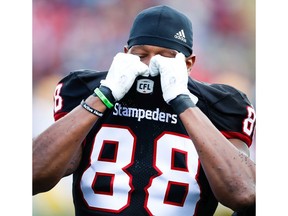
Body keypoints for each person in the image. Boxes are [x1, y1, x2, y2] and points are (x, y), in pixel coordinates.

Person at [33, 5, 256, 216]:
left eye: (166, 57)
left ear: (189, 64)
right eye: (141, 55)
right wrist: (103, 96)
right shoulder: (86, 89)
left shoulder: (220, 104)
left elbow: (244, 194)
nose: (151, 66)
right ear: (125, 54)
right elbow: (32, 176)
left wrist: (183, 102)